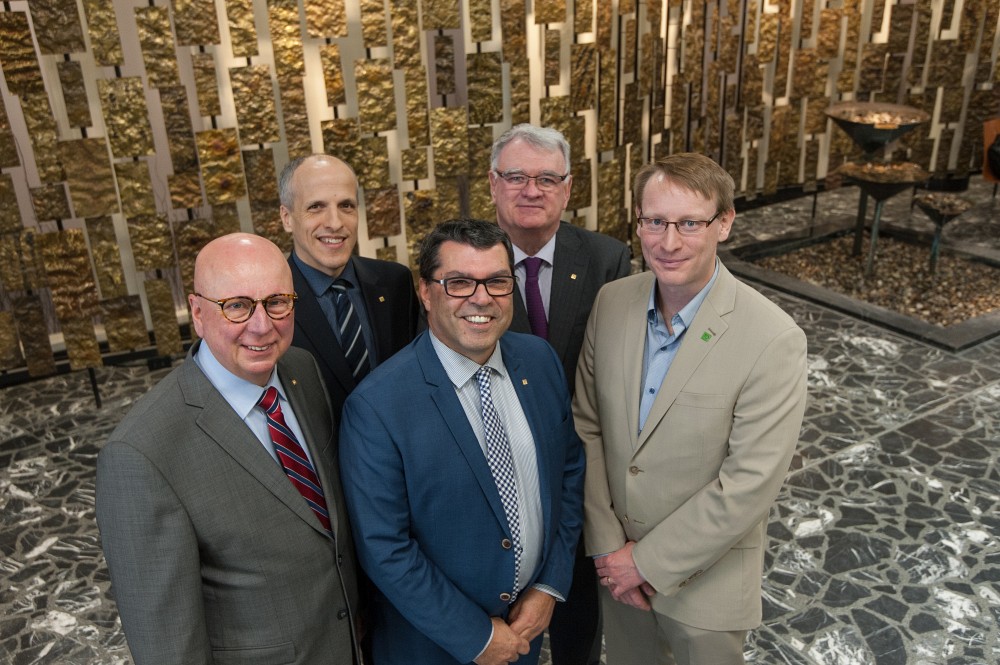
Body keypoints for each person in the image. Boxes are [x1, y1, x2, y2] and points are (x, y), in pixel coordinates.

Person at [574, 153, 808, 665]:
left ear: (724, 223)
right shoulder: (611, 303)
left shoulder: (773, 338)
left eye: (689, 223)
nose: (669, 242)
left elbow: (748, 484)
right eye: (655, 221)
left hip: (707, 586)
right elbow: (587, 428)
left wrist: (645, 562)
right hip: (617, 572)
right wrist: (608, 546)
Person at [96, 233, 360, 665]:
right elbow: (168, 647)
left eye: (277, 302)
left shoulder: (302, 370)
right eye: (237, 306)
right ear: (198, 313)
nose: (262, 325)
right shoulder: (139, 455)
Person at [339, 219, 585, 665]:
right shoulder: (377, 406)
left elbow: (568, 474)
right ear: (426, 292)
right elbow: (384, 548)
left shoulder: (540, 361)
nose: (481, 298)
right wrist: (476, 636)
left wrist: (549, 585)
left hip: (525, 631)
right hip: (435, 645)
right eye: (458, 283)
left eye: (497, 281)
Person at [490, 124, 630, 664]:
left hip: (581, 471)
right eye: (517, 177)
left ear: (568, 189)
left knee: (579, 622)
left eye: (547, 179)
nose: (532, 190)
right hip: (497, 469)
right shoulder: (465, 259)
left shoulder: (607, 259)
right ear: (494, 183)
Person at [279, 153, 421, 418]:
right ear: (287, 218)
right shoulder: (270, 304)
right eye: (316, 207)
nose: (335, 223)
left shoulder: (395, 283)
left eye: (346, 206)